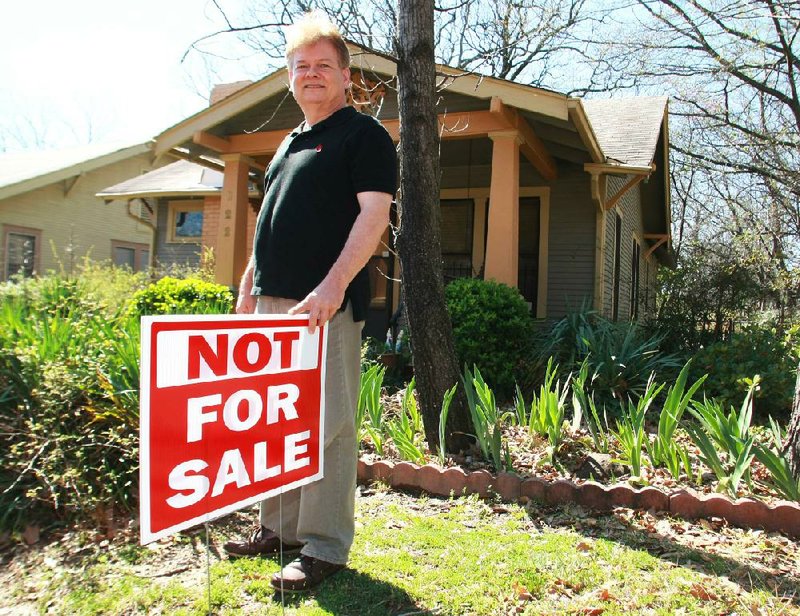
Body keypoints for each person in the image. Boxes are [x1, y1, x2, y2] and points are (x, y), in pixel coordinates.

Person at [222, 12, 397, 593]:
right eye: (302, 66)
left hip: (323, 306)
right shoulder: (289, 143)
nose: (312, 74)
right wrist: (247, 289)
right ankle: (280, 531)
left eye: (324, 65)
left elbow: (374, 215)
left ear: (347, 77)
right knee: (278, 420)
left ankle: (324, 546)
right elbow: (268, 224)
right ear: (289, 78)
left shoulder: (363, 136)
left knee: (327, 425)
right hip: (271, 303)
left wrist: (331, 287)